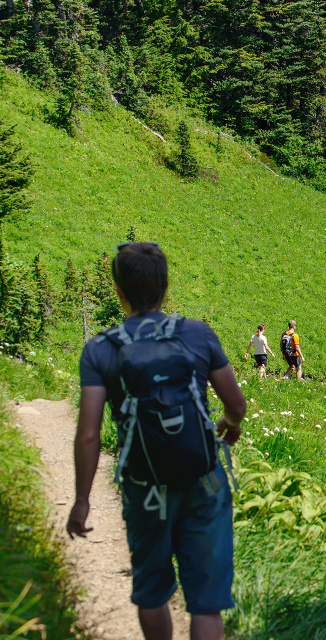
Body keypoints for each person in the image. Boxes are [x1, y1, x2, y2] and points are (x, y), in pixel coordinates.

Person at [67, 242, 246, 640]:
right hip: (204, 479)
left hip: (144, 485)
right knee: (205, 603)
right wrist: (229, 424)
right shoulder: (198, 334)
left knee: (151, 593)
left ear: (118, 290)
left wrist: (82, 499)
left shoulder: (100, 349)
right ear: (165, 287)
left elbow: (89, 433)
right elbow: (236, 403)